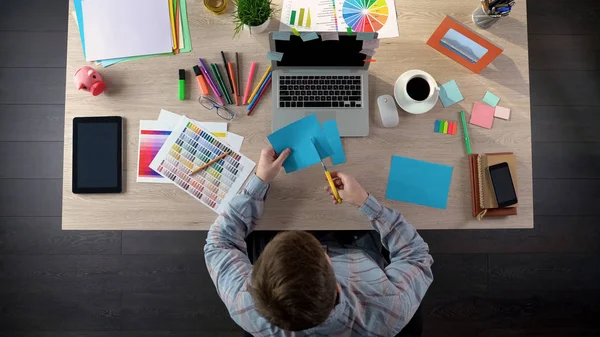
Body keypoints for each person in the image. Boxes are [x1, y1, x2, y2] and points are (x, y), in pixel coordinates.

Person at [204, 147, 434, 337]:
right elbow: (416, 256)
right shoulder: (387, 306)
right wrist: (366, 202)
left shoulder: (244, 304)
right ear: (335, 284)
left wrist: (260, 180)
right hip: (358, 250)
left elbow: (219, 242)